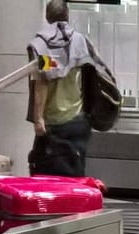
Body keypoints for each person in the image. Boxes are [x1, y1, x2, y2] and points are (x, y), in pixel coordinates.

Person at [27, 0, 95, 177]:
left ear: (47, 17)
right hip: (77, 119)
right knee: (75, 173)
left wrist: (38, 118)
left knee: (46, 176)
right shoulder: (80, 41)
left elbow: (42, 81)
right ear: (67, 15)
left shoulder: (41, 45)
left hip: (53, 123)